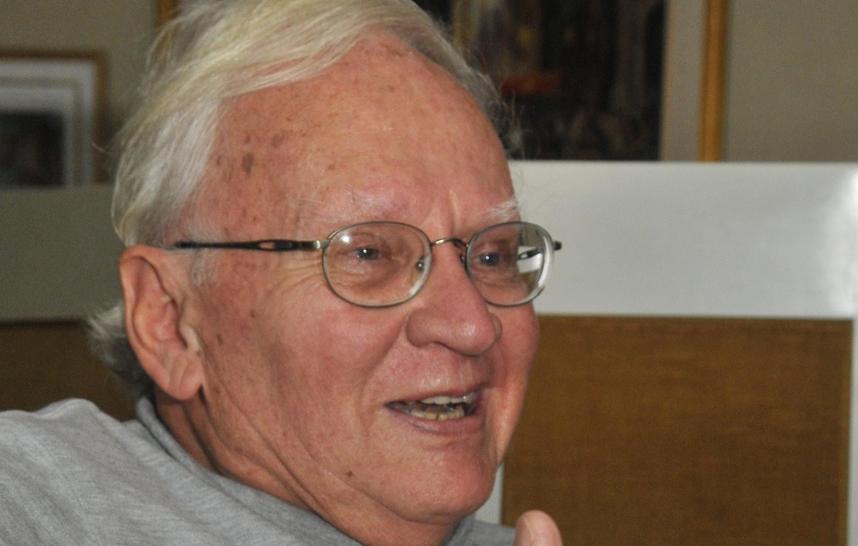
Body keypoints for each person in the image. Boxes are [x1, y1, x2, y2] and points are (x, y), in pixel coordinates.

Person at [0, 1, 562, 545]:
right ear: (168, 322)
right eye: (367, 254)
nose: (473, 326)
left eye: (492, 257)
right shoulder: (35, 502)